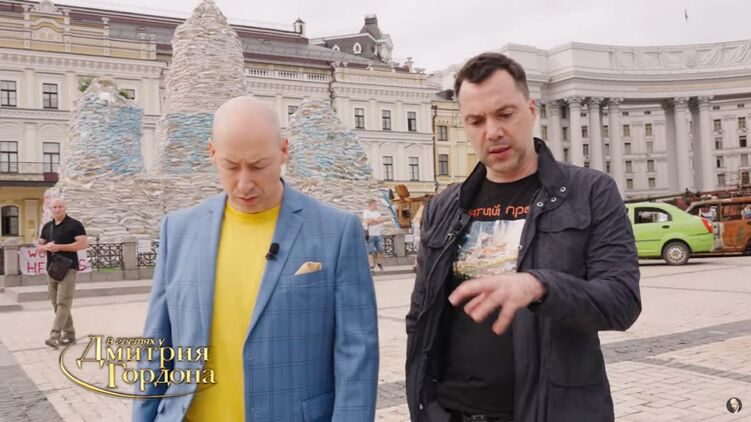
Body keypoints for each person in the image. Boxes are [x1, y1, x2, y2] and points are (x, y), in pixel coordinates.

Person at [405, 53, 641, 422]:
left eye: (505, 114)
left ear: (532, 110)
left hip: (553, 412)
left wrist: (539, 286)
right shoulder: (443, 207)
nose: (492, 132)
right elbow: (420, 316)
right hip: (452, 412)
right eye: (476, 121)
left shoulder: (591, 191)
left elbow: (622, 302)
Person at [133, 96, 379, 422]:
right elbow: (156, 345)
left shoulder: (338, 230)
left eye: (259, 166)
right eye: (231, 166)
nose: (245, 183)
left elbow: (357, 354)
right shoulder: (177, 229)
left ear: (284, 151)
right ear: (212, 153)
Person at [37, 198, 88, 349]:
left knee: (63, 303)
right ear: (50, 209)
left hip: (68, 268)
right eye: (54, 207)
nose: (57, 209)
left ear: (65, 208)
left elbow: (83, 244)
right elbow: (39, 247)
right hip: (51, 269)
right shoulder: (47, 227)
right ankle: (70, 335)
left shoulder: (75, 225)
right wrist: (46, 247)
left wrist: (59, 247)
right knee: (56, 304)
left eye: (60, 206)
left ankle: (54, 336)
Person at [363, 198, 386, 271]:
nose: (376, 206)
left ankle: (379, 263)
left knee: (381, 250)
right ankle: (371, 266)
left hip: (378, 234)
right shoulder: (366, 212)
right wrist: (377, 221)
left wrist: (373, 220)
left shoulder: (377, 212)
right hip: (370, 235)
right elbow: (368, 222)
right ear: (371, 204)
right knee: (370, 251)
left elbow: (382, 220)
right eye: (375, 204)